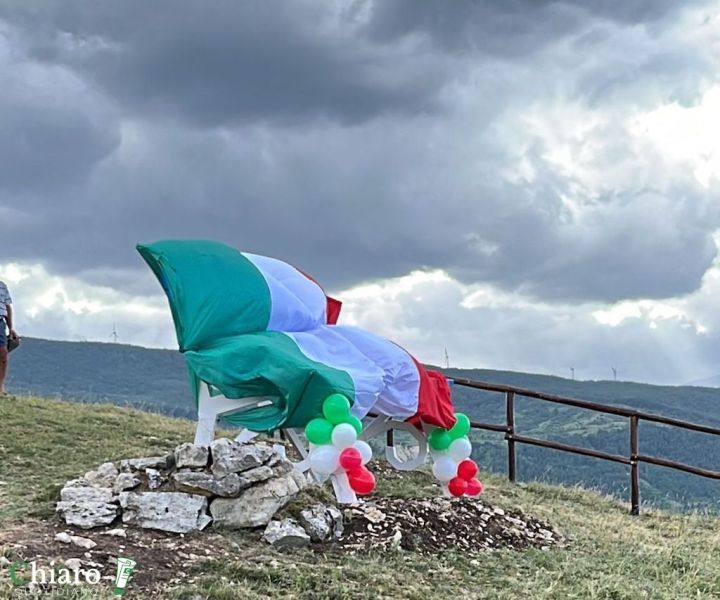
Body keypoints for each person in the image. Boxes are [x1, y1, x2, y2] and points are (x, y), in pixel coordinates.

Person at [0, 279, 16, 395]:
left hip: (0, 322)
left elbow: (7, 307)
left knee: (3, 355)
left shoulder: (2, 286)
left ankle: (0, 387)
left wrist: (10, 328)